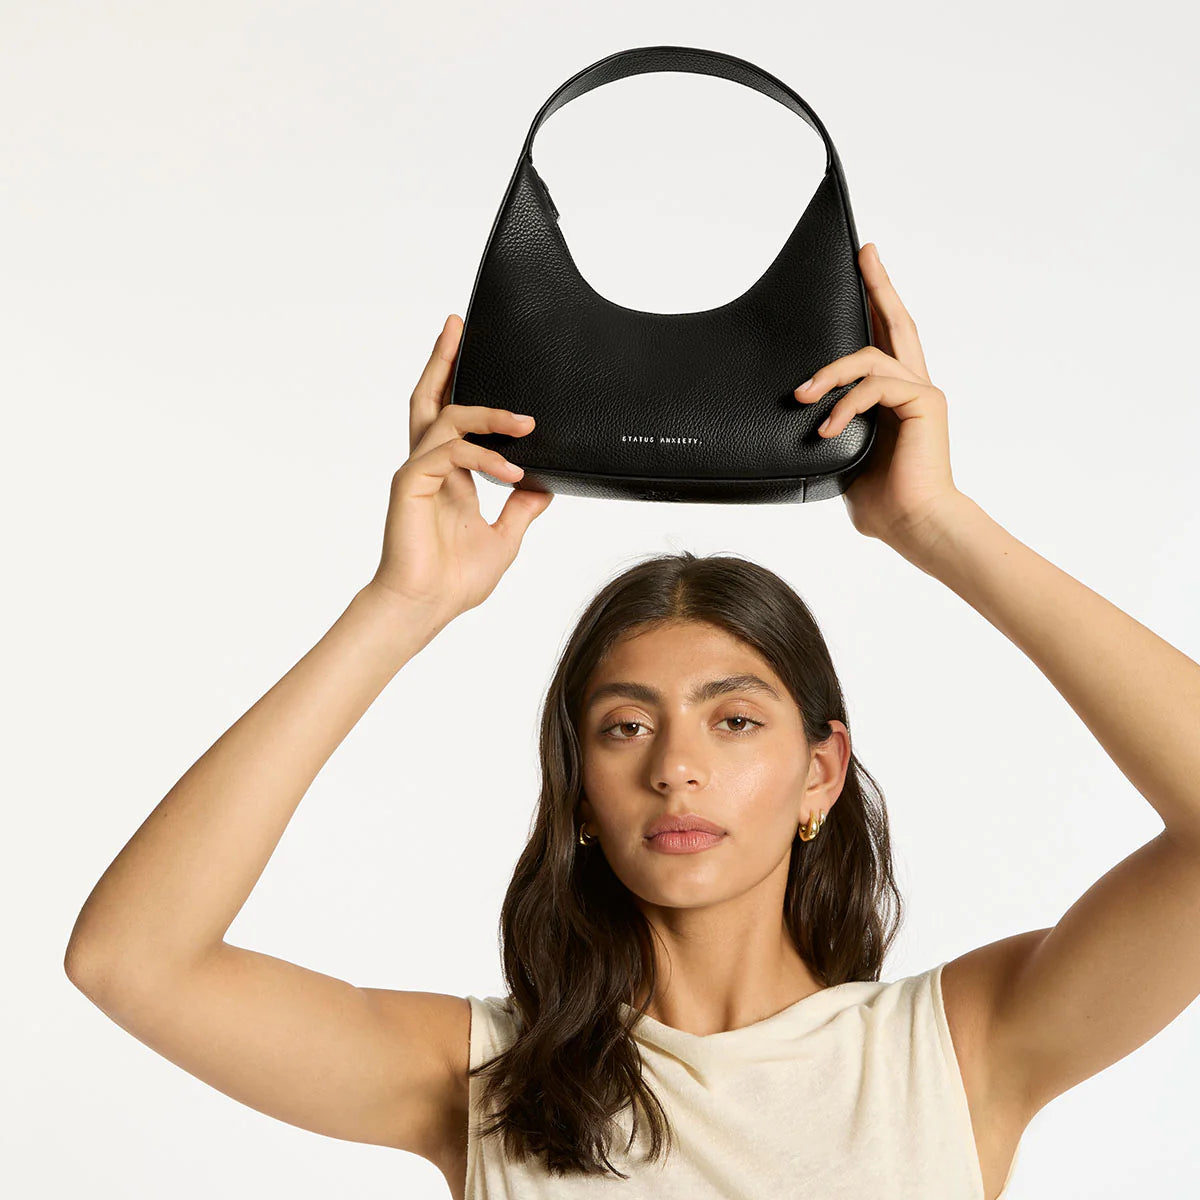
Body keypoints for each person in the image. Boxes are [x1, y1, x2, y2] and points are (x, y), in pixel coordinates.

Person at [64, 245, 1200, 1200]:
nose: (676, 769)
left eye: (735, 721)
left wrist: (938, 523)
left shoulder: (957, 1053)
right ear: (578, 790)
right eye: (622, 728)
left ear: (822, 772)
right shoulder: (484, 1081)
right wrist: (400, 608)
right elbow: (132, 962)